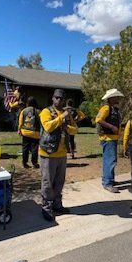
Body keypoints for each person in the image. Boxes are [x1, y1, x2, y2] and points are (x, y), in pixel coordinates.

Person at [39, 89, 78, 221]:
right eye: (57, 98)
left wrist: (67, 127)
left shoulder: (66, 113)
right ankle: (46, 207)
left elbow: (75, 129)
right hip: (48, 153)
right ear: (52, 98)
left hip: (61, 154)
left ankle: (57, 204)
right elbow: (48, 127)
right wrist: (62, 118)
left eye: (61, 98)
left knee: (59, 181)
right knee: (47, 182)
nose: (59, 100)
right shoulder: (46, 112)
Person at [95, 88, 124, 193]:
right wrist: (112, 127)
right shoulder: (106, 108)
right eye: (116, 97)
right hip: (108, 138)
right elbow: (98, 119)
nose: (118, 98)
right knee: (110, 161)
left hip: (112, 138)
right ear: (111, 98)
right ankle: (108, 183)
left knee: (110, 160)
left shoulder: (114, 109)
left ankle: (108, 180)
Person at [18, 96, 41, 169]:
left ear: (27, 103)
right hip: (35, 133)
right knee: (34, 148)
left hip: (25, 132)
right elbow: (41, 122)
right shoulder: (38, 111)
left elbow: (20, 122)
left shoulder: (24, 111)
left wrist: (19, 130)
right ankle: (34, 163)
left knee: (25, 148)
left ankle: (24, 163)